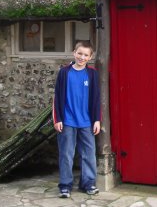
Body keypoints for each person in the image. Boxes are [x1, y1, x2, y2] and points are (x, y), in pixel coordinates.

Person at [52, 40, 101, 198]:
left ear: (90, 57)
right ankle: (65, 185)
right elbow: (57, 98)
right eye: (79, 53)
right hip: (67, 121)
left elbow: (96, 99)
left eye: (86, 55)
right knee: (66, 154)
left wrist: (97, 120)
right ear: (74, 52)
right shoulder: (64, 72)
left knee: (89, 154)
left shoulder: (92, 74)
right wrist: (57, 118)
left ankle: (88, 183)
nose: (82, 57)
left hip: (87, 122)